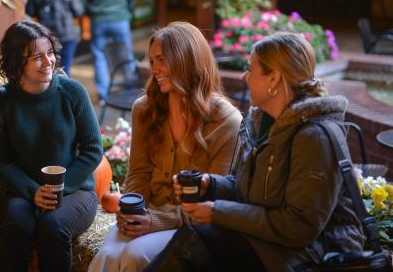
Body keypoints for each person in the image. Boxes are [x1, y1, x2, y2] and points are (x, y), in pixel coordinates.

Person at [145, 32, 364, 272]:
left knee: (195, 243)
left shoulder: (314, 136)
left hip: (310, 255)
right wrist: (212, 185)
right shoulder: (264, 125)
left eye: (251, 69)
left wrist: (217, 212)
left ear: (273, 79)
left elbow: (299, 227)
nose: (245, 77)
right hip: (269, 243)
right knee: (195, 241)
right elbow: (249, 190)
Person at [89, 22, 243, 272]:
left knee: (134, 256)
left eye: (162, 59)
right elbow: (138, 172)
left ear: (186, 60)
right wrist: (132, 211)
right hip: (146, 214)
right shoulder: (144, 109)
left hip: (191, 224)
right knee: (106, 255)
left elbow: (215, 196)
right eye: (152, 61)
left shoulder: (227, 120)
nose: (154, 68)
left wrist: (155, 221)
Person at [0, 21, 103, 272]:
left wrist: (58, 189)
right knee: (17, 227)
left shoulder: (73, 92)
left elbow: (93, 149)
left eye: (50, 53)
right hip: (22, 190)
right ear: (17, 63)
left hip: (75, 191)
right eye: (37, 57)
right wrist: (33, 191)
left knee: (53, 226)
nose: (48, 62)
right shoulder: (0, 101)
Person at [80, 0, 138, 101]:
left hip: (98, 22)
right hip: (120, 20)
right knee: (125, 53)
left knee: (99, 56)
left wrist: (91, 12)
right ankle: (131, 88)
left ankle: (104, 94)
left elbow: (82, 5)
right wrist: (127, 11)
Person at [26, 0, 84, 76]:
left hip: (45, 36)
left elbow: (30, 11)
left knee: (47, 69)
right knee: (65, 69)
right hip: (67, 35)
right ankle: (65, 92)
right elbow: (78, 11)